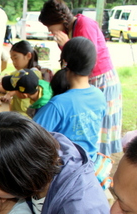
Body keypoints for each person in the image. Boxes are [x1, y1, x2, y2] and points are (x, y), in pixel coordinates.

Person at [39, 0, 122, 156]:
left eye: (51, 28)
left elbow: (87, 57)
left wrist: (66, 44)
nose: (51, 32)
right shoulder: (69, 30)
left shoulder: (84, 24)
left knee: (97, 127)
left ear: (58, 20)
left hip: (101, 79)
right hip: (87, 82)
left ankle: (97, 161)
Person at [32, 37, 106, 162]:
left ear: (64, 62)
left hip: (64, 173)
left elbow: (28, 138)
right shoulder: (100, 96)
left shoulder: (58, 104)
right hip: (90, 167)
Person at [0, 40, 53, 116]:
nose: (14, 62)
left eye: (16, 58)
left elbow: (14, 88)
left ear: (28, 56)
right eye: (12, 59)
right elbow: (13, 79)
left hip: (23, 114)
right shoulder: (22, 72)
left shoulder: (32, 74)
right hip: (16, 113)